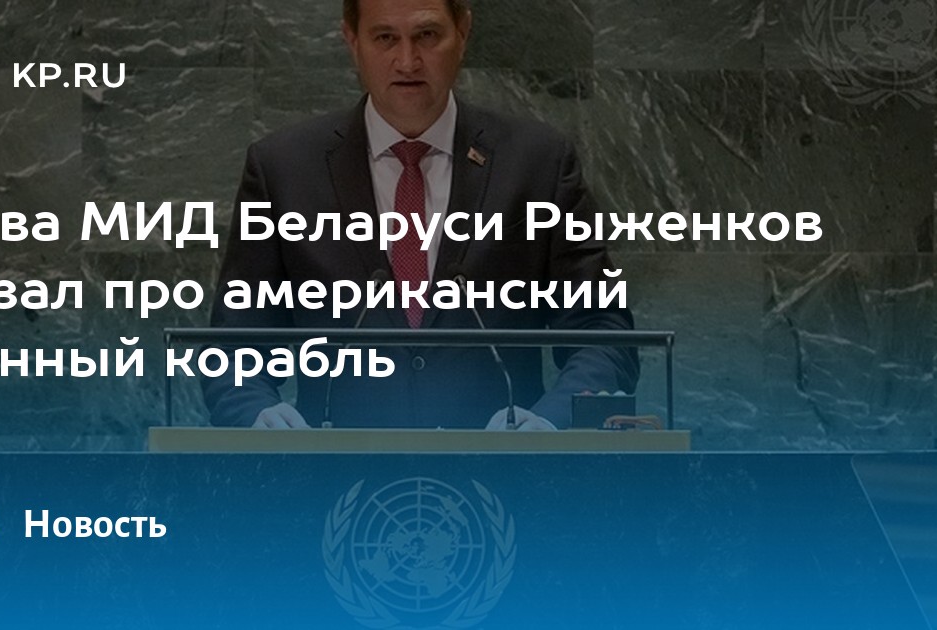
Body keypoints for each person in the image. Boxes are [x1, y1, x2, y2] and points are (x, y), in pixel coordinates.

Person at [202, 0, 637, 430]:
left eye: (427, 35)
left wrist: (550, 421)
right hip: (336, 470)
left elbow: (601, 331)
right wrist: (257, 415)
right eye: (385, 38)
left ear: (462, 32)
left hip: (502, 468)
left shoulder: (537, 163)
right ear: (352, 40)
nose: (407, 61)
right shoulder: (284, 169)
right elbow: (234, 347)